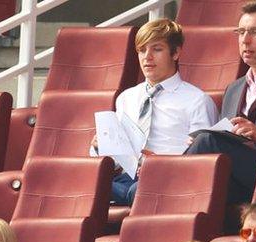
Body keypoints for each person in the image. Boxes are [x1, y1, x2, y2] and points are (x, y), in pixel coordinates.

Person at [186, 1, 256, 205]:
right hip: (241, 182)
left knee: (207, 142)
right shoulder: (233, 89)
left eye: (255, 32)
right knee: (202, 145)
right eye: (240, 32)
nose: (245, 41)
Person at [92, 18, 217, 205]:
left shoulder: (197, 101)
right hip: (126, 179)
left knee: (139, 190)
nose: (147, 57)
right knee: (80, 183)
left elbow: (202, 162)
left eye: (156, 49)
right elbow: (116, 160)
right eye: (142, 50)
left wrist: (160, 164)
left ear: (175, 53)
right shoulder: (126, 98)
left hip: (169, 180)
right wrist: (99, 147)